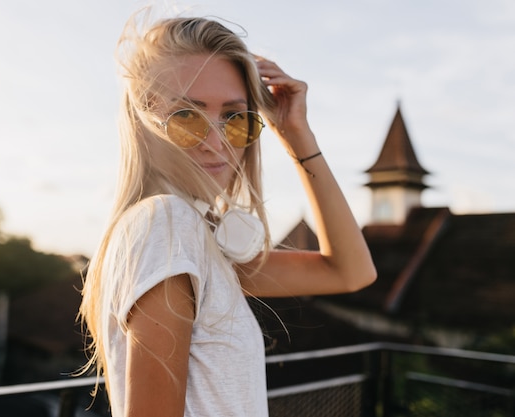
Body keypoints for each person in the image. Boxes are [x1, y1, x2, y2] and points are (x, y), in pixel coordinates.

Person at [77, 11, 377, 417]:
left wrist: (295, 131)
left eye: (235, 119)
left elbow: (351, 272)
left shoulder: (198, 238)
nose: (216, 142)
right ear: (145, 119)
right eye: (186, 115)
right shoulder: (166, 225)